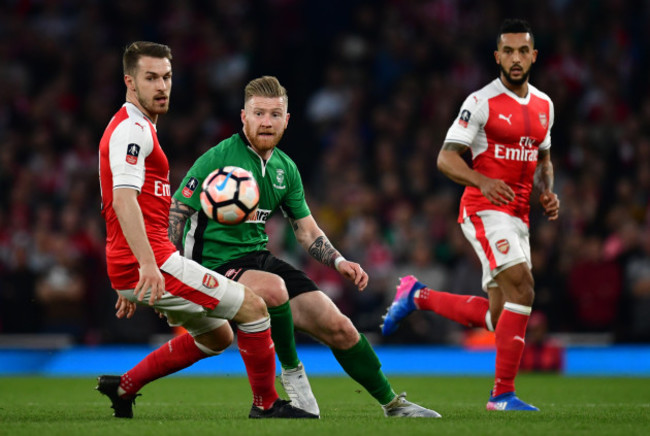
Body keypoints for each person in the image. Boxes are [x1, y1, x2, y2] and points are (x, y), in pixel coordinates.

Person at [168, 75, 441, 418]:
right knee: (273, 287)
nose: (266, 121)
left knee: (339, 326)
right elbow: (177, 213)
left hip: (258, 259)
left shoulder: (286, 168)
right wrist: (174, 273)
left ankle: (392, 404)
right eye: (258, 113)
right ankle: (293, 376)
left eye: (274, 114)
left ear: (287, 120)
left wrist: (339, 261)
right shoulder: (217, 158)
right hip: (214, 264)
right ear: (243, 116)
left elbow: (306, 231)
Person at [96, 41, 315, 420]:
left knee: (218, 336)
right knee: (253, 307)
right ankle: (266, 403)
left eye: (166, 76)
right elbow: (123, 200)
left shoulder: (138, 126)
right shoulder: (133, 129)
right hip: (150, 262)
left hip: (140, 260)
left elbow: (136, 207)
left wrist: (130, 276)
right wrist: (146, 267)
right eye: (150, 78)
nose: (161, 86)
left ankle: (125, 386)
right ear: (129, 81)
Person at [382, 19, 560, 412]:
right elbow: (445, 158)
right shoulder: (480, 102)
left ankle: (417, 295)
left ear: (534, 56)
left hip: (518, 216)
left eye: (523, 51)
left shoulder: (545, 105)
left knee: (502, 317)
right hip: (483, 210)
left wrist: (547, 191)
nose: (516, 59)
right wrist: (481, 180)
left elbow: (543, 158)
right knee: (523, 288)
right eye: (508, 52)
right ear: (497, 56)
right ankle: (501, 396)